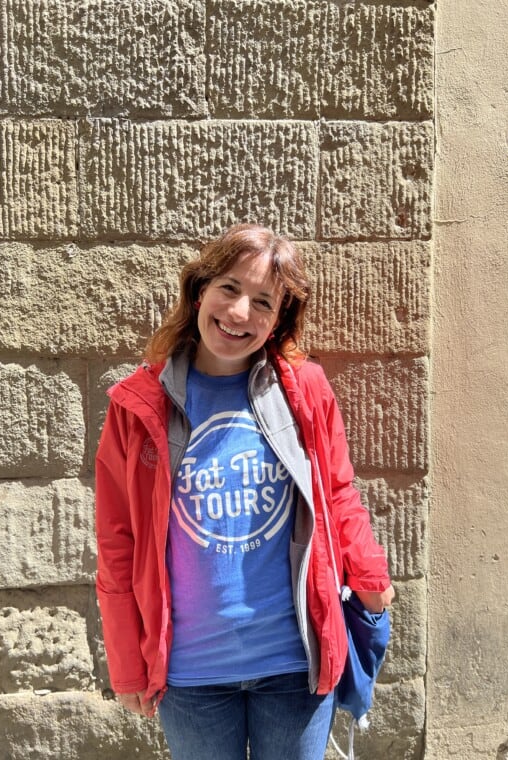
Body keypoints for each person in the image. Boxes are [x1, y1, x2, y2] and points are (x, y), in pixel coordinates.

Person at [95, 224, 394, 760]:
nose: (239, 314)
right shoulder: (137, 406)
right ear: (199, 290)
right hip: (190, 674)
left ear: (279, 321)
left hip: (291, 663)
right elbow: (117, 541)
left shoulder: (306, 390)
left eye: (263, 302)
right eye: (229, 289)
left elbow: (338, 490)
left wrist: (369, 575)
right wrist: (126, 662)